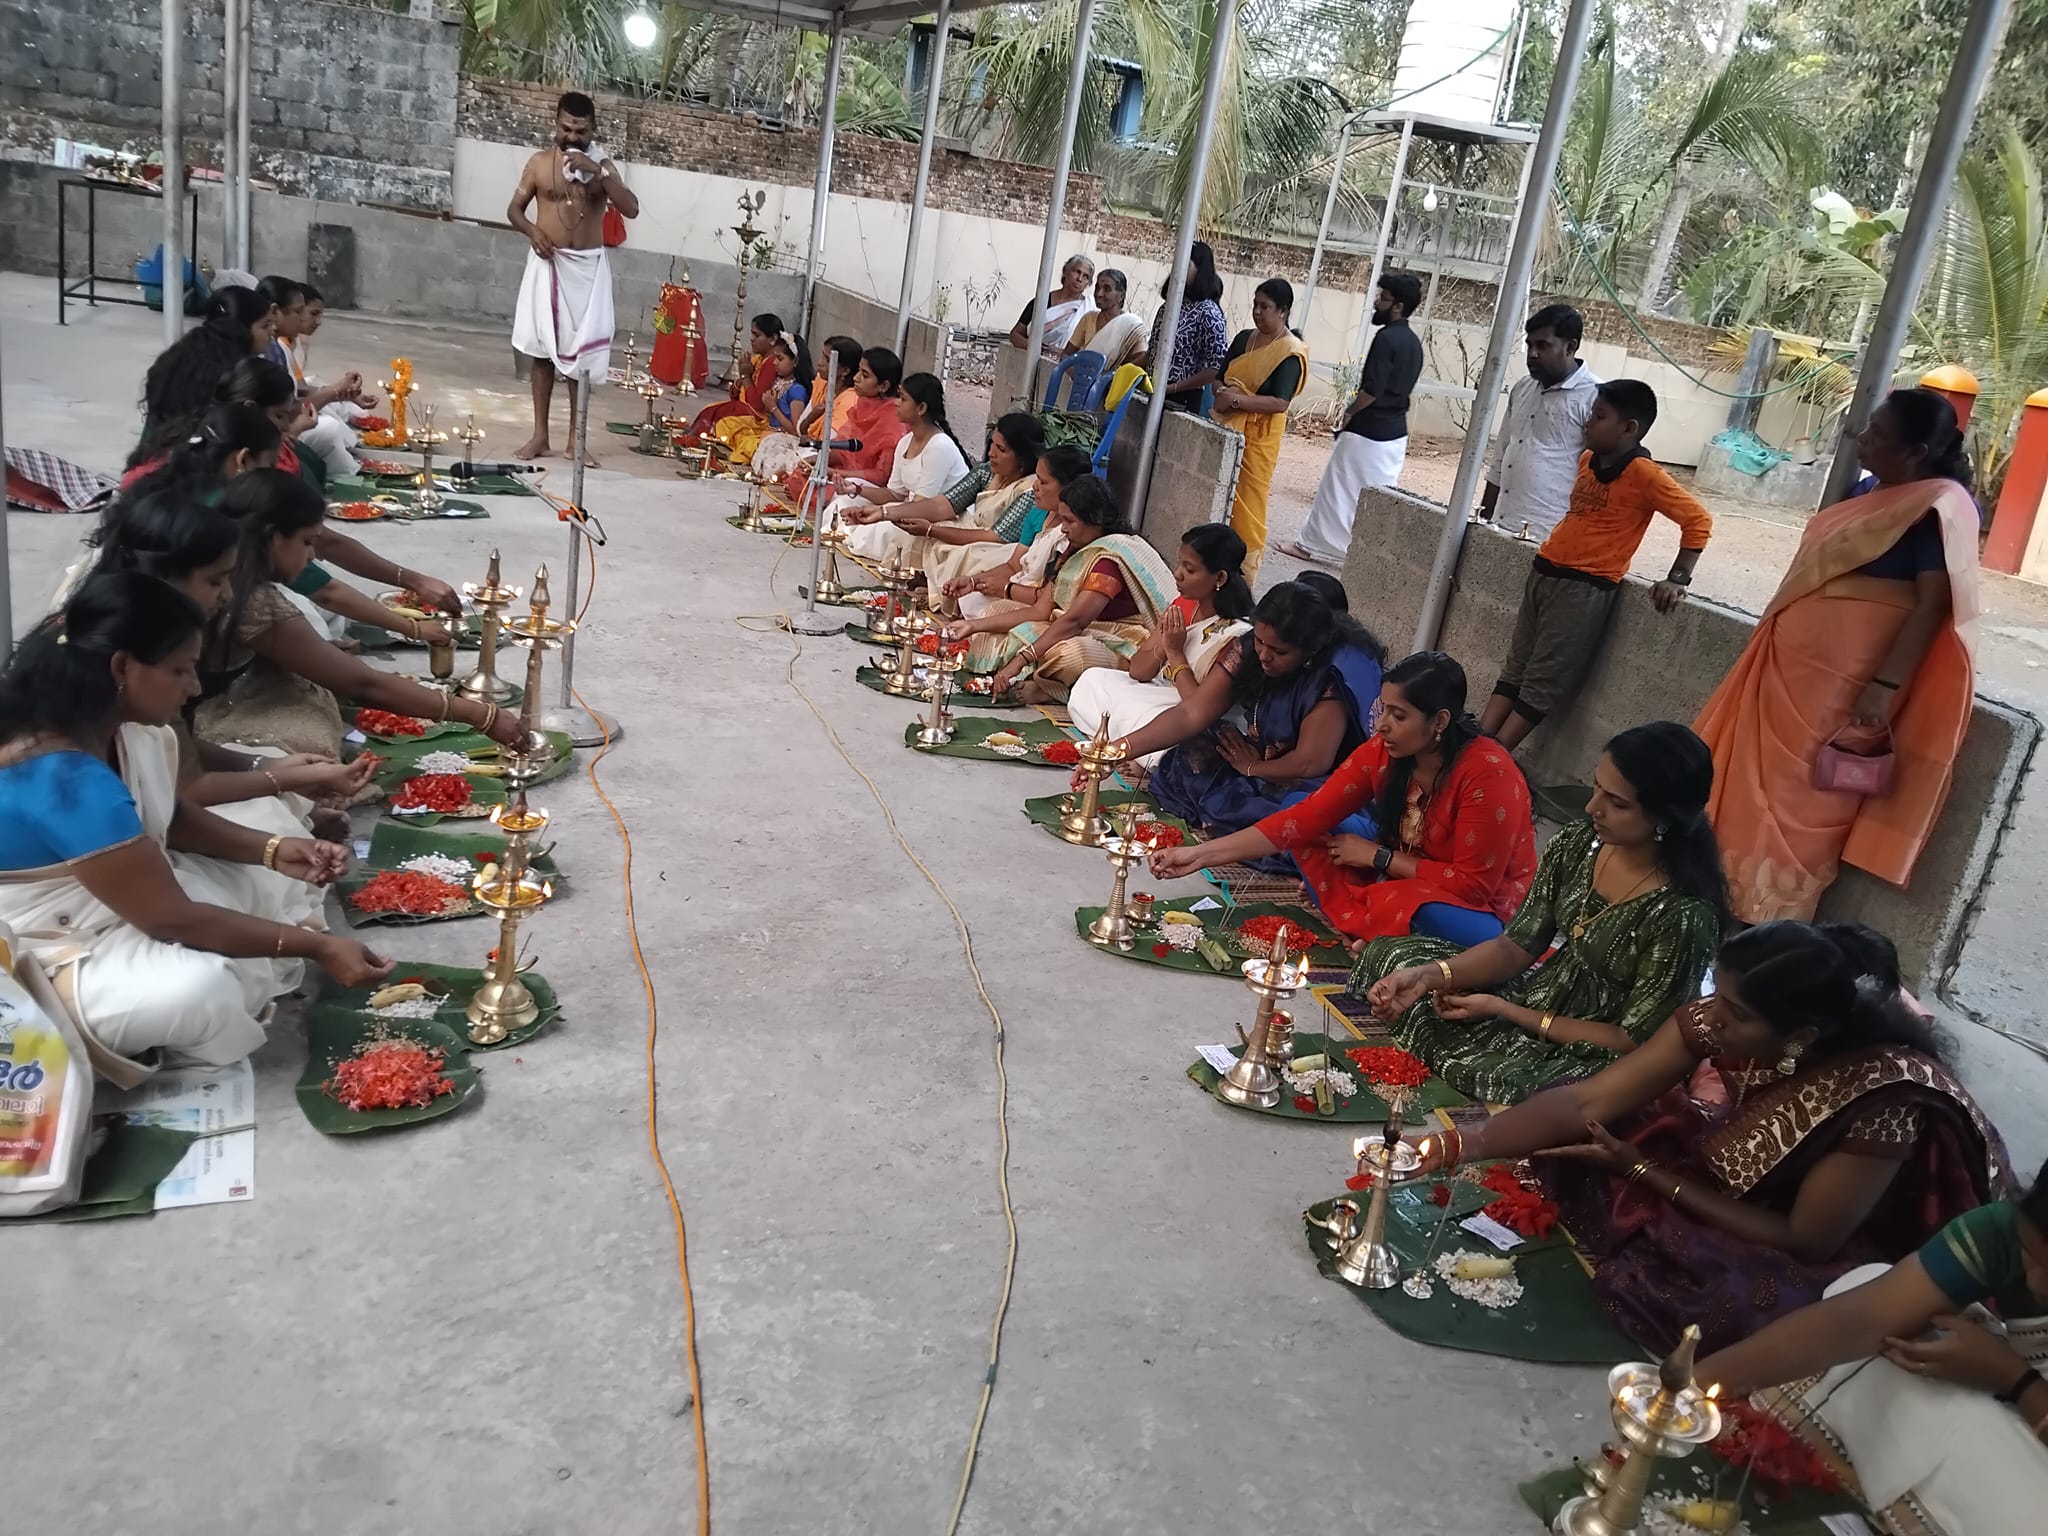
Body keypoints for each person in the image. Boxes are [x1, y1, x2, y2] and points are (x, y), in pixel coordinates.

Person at [1406, 920, 2006, 1354]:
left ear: (1801, 1033)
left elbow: (1807, 1238)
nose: (1714, 1018)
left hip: (1841, 1235)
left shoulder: (1881, 1098)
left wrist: (1643, 1172)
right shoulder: (1720, 1018)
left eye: (1738, 1014)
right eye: (1717, 993)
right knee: (1580, 1113)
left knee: (1721, 1295)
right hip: (1739, 1176)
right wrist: (1464, 1144)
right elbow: (1591, 1100)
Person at [0, 574, 394, 1077]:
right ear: (122, 667)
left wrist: (273, 850)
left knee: (260, 883)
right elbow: (171, 918)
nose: (195, 687)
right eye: (182, 670)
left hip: (123, 896)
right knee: (199, 992)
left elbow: (169, 816)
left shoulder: (121, 729)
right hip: (44, 942)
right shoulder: (65, 779)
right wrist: (318, 947)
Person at [1695, 387, 1981, 924]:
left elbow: (1931, 604)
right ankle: (1717, 897)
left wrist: (1886, 686)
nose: (1863, 437)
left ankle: (1767, 919)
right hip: (1789, 668)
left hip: (1846, 687)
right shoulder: (1871, 488)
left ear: (1916, 453)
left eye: (1877, 434)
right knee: (1743, 786)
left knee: (1802, 796)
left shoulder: (1936, 505)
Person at [1358, 721, 1728, 1103]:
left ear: (1664, 819)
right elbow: (1514, 947)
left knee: (1560, 1092)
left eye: (1616, 803)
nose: (1591, 807)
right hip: (1537, 994)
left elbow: (1632, 1041)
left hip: (1597, 1046)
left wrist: (1506, 1010)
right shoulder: (1578, 843)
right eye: (1597, 787)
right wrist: (1429, 977)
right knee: (1397, 956)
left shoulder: (1684, 916)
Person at [1696, 1160, 2048, 1533]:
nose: (2037, 1282)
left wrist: (2013, 1378)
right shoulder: (2006, 1228)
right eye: (2031, 1254)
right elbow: (1860, 1321)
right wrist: (1687, 1384)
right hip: (2014, 1394)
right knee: (1871, 1289)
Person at [1153, 650, 1536, 944]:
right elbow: (1305, 818)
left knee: (1408, 905)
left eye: (1399, 716)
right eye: (1383, 709)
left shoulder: (1490, 775)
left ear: (1439, 722)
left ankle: (1371, 916)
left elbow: (1473, 886)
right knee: (1300, 816)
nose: (1383, 725)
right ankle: (1375, 920)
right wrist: (1196, 855)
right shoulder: (1384, 751)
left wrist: (1378, 857)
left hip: (1484, 911)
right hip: (1400, 870)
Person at [83, 488, 374, 839]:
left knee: (277, 780)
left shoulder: (151, 625)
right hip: (125, 844)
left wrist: (269, 767)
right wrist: (278, 803)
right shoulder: (129, 649)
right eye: (216, 580)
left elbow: (176, 746)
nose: (228, 595)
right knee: (272, 820)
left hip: (155, 813)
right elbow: (179, 800)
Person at [194, 470, 525, 757]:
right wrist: (482, 716)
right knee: (307, 729)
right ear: (272, 536)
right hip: (199, 717)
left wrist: (314, 652)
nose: (312, 556)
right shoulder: (253, 601)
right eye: (307, 542)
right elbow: (364, 684)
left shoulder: (234, 573)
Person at [1482, 379, 1713, 750]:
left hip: (1584, 586)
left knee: (1543, 679)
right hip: (1546, 569)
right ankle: (1479, 739)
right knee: (1517, 664)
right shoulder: (1587, 461)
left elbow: (1697, 520)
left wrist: (1677, 577)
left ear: (1629, 428)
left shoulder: (1644, 474)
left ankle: (1494, 753)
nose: (1588, 423)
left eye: (1600, 416)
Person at [1113, 577, 1385, 839]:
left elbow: (1310, 762)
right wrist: (1115, 750)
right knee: (1194, 751)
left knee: (1298, 815)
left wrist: (1253, 768)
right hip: (1258, 757)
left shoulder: (1329, 681)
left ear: (1309, 651)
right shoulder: (1247, 650)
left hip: (1312, 778)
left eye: (1279, 651)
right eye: (1260, 641)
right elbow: (1191, 713)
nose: (1264, 655)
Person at [941, 474, 1177, 702]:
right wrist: (972, 625)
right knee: (997, 610)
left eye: (1070, 521)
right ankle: (1009, 675)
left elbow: (1074, 622)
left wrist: (1020, 660)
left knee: (1069, 653)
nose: (1063, 529)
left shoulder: (1108, 562)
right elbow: (1040, 611)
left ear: (1095, 519)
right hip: (1075, 626)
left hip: (1122, 640)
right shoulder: (1076, 548)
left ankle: (1049, 689)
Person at [507, 89, 639, 463]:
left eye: (580, 131)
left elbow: (630, 208)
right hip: (547, 264)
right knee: (541, 353)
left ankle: (575, 442)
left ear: (592, 129)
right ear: (556, 124)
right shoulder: (538, 163)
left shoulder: (604, 167)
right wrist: (533, 233)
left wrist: (596, 169)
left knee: (581, 359)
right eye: (566, 128)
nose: (571, 137)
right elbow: (514, 210)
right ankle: (539, 436)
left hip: (587, 272)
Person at [1279, 271, 1426, 566]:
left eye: (1382, 298)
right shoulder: (1413, 343)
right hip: (1394, 435)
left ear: (1397, 306)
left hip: (1367, 431)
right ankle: (1356, 553)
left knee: (1337, 491)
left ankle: (1309, 545)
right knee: (1371, 499)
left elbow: (1371, 389)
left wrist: (1349, 412)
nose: (1376, 303)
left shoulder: (1386, 338)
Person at [1068, 524, 1257, 749]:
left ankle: (1130, 746)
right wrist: (1164, 646)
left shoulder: (1237, 635)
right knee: (1093, 680)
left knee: (1159, 726)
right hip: (1158, 692)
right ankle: (1128, 743)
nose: (1177, 574)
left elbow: (1196, 707)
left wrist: (1176, 654)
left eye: (1190, 569)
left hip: (1187, 713)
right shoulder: (1183, 606)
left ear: (1220, 578)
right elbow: (1138, 671)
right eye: (1179, 564)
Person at [880, 411, 1045, 596]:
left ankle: (941, 594)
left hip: (997, 546)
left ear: (1023, 457)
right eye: (992, 444)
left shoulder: (1030, 490)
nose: (991, 453)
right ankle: (919, 578)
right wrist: (885, 513)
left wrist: (930, 530)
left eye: (1002, 449)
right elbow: (944, 504)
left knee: (966, 554)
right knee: (927, 526)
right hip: (976, 531)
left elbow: (994, 537)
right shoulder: (987, 472)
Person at [1478, 304, 1602, 541]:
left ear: (1570, 347)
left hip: (1549, 535)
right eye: (1530, 345)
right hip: (1501, 525)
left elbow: (1596, 481)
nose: (1533, 353)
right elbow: (1501, 457)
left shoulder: (1597, 398)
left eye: (1543, 345)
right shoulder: (1523, 388)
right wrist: (1484, 521)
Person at [1214, 277, 1310, 579]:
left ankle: (1245, 574)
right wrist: (1222, 394)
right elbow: (1219, 376)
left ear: (1282, 311)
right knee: (1219, 493)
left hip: (1260, 436)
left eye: (1264, 307)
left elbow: (1281, 402)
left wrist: (1237, 402)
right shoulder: (1244, 338)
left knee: (1249, 504)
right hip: (1227, 426)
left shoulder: (1289, 352)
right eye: (1255, 305)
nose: (1257, 311)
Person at [930, 444, 1092, 620]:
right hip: (1021, 587)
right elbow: (1014, 566)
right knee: (973, 598)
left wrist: (1006, 589)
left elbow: (1049, 598)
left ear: (1068, 487)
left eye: (1044, 482)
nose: (1035, 487)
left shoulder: (1076, 533)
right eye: (1037, 478)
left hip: (1043, 606)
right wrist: (973, 581)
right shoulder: (1038, 513)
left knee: (990, 611)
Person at [829, 373, 972, 563]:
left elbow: (922, 506)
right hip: (908, 508)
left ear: (921, 408)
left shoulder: (940, 446)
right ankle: (847, 535)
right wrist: (855, 489)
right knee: (845, 503)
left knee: (881, 529)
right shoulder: (905, 442)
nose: (896, 403)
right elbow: (894, 493)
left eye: (903, 399)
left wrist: (882, 513)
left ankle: (850, 538)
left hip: (935, 518)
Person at [253, 275, 371, 478]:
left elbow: (292, 396)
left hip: (280, 429)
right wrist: (293, 429)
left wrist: (340, 393)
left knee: (330, 408)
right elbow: (283, 410)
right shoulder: (268, 348)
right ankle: (350, 476)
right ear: (274, 312)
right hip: (267, 437)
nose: (303, 319)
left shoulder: (279, 346)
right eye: (299, 312)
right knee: (329, 428)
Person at [135, 286, 278, 454]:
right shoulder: (238, 375)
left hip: (155, 449)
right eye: (265, 325)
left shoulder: (185, 351)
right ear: (241, 329)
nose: (273, 330)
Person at [780, 347, 905, 513]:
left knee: (841, 502)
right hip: (845, 475)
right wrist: (820, 461)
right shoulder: (862, 405)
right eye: (859, 371)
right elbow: (845, 451)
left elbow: (880, 476)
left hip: (871, 488)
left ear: (883, 386)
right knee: (805, 465)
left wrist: (832, 472)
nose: (856, 378)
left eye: (865, 375)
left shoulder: (892, 421)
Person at [1138, 240, 1228, 414]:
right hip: (1151, 392)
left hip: (1182, 399)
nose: (1178, 269)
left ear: (1200, 270)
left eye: (1185, 264)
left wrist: (1175, 387)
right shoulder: (1167, 308)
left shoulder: (1208, 312)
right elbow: (1152, 353)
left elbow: (1216, 367)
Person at [754, 334, 859, 480]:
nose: (820, 362)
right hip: (808, 445)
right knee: (771, 441)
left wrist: (774, 409)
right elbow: (800, 430)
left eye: (827, 360)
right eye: (822, 356)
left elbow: (829, 448)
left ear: (845, 371)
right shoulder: (822, 382)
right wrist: (811, 417)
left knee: (802, 459)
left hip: (822, 455)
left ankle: (788, 478)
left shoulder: (849, 399)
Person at [706, 329, 808, 467]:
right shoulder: (779, 382)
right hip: (768, 429)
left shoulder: (797, 391)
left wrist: (773, 407)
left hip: (783, 438)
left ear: (795, 361)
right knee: (726, 424)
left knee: (748, 444)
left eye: (780, 359)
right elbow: (766, 410)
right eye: (775, 357)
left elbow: (796, 431)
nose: (774, 363)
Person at [694, 312, 787, 441]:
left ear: (773, 339)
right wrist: (740, 381)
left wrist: (745, 376)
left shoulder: (772, 363)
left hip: (757, 419)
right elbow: (735, 393)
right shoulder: (758, 359)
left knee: (718, 421)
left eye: (757, 335)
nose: (751, 338)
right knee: (709, 412)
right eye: (752, 334)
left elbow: (757, 405)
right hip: (745, 409)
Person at [1009, 254, 1096, 354]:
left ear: (1088, 283)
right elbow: (1015, 334)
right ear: (1065, 272)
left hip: (1065, 366)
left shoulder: (1088, 310)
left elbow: (1087, 349)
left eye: (1085, 277)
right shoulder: (1041, 302)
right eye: (1077, 272)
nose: (1079, 279)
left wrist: (1061, 353)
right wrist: (1032, 347)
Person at [1063, 268, 1145, 370]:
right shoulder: (1089, 318)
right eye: (1097, 288)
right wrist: (1075, 374)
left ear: (1121, 296)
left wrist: (1108, 379)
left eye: (1107, 289)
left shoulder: (1131, 325)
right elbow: (1067, 354)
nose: (1099, 294)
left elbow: (1139, 364)